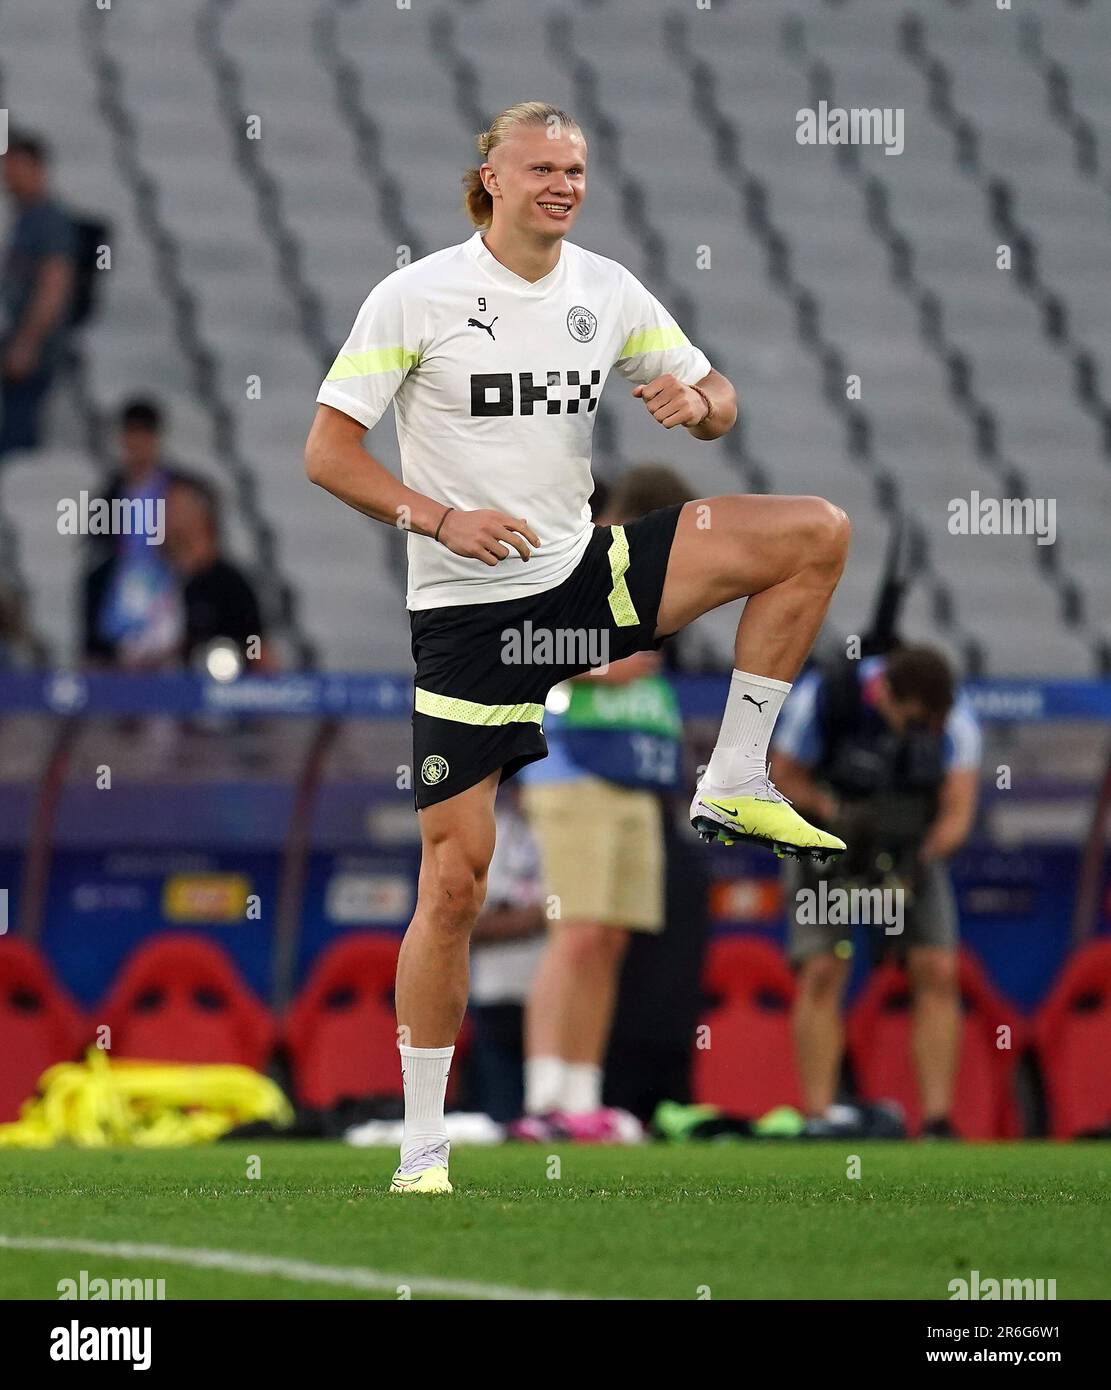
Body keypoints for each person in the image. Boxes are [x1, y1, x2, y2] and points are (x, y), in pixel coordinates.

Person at [305, 101, 850, 1194]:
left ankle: (733, 775)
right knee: (453, 885)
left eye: (576, 168)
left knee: (814, 533)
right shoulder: (416, 296)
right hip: (465, 614)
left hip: (578, 575)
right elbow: (327, 453)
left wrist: (696, 405)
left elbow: (721, 398)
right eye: (543, 167)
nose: (563, 184)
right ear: (491, 177)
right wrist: (440, 517)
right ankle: (422, 1142)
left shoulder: (604, 288)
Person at [514, 465, 691, 1139]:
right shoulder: (576, 558)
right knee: (576, 932)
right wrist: (602, 665)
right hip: (571, 768)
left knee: (611, 939)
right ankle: (543, 1096)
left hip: (633, 767)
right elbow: (520, 646)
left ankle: (583, 1095)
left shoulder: (648, 580)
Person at [770, 644, 981, 1138]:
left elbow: (957, 810)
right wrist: (834, 811)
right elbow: (782, 776)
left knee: (937, 967)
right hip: (827, 840)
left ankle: (937, 1122)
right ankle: (820, 1116)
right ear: (882, 692)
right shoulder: (826, 698)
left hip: (911, 849)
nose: (916, 731)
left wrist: (921, 861)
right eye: (910, 720)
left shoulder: (958, 719)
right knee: (823, 967)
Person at [0, 132, 76, 459]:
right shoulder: (22, 219)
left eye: (11, 166)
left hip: (32, 348)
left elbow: (54, 286)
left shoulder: (49, 221)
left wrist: (26, 344)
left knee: (18, 438)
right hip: (15, 339)